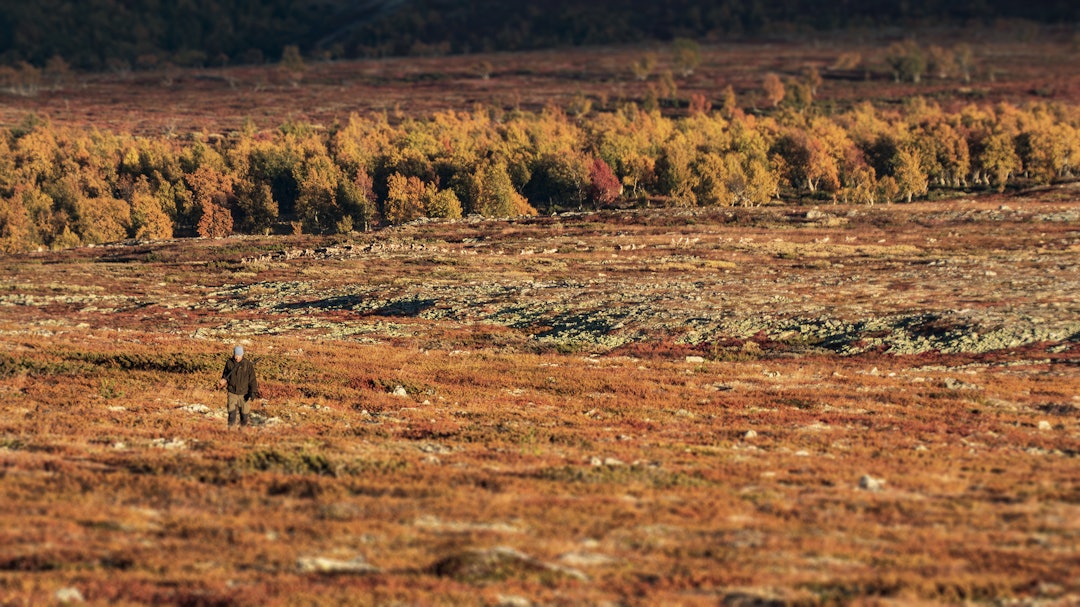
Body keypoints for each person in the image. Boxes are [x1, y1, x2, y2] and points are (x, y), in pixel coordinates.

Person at [217, 345, 259, 428]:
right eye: (236, 355)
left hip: (244, 394)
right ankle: (230, 433)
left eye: (239, 355)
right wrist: (223, 381)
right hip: (232, 393)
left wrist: (253, 392)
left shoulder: (248, 365)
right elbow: (225, 375)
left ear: (242, 355)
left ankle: (242, 433)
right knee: (231, 415)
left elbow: (252, 380)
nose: (237, 357)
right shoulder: (229, 363)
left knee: (244, 416)